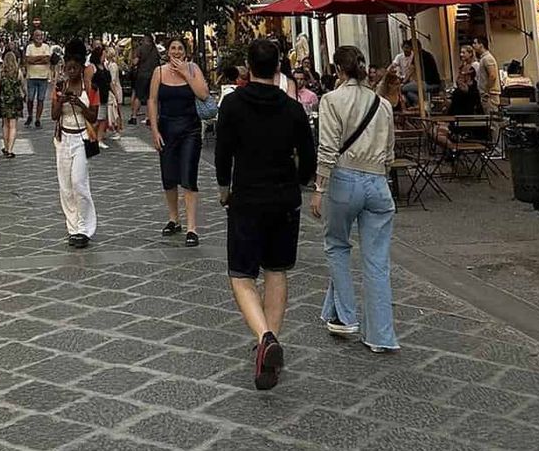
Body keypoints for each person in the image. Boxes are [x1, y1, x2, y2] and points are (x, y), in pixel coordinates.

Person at [215, 37, 317, 391]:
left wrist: (223, 187)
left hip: (246, 198)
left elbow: (223, 152)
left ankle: (265, 337)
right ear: (278, 67)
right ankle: (268, 345)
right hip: (284, 199)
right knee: (277, 270)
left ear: (247, 65)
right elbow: (309, 156)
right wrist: (300, 180)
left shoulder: (232, 104)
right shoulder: (292, 109)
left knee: (242, 275)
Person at [311, 45, 399, 353]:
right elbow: (390, 153)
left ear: (338, 70)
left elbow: (327, 148)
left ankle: (346, 315)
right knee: (377, 261)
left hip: (344, 178)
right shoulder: (383, 104)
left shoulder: (331, 100)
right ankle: (381, 336)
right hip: (378, 182)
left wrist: (319, 189)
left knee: (337, 245)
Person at [149, 36, 210, 246]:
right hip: (166, 128)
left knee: (188, 177)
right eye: (172, 48)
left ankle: (192, 227)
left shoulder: (193, 69)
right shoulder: (159, 72)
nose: (176, 52)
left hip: (189, 130)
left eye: (180, 48)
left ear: (185, 51)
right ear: (167, 52)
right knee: (168, 177)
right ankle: (174, 218)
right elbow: (153, 100)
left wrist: (185, 72)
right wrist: (155, 130)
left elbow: (203, 94)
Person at [52, 40, 98, 247]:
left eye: (74, 68)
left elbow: (94, 116)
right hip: (63, 138)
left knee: (79, 182)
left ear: (81, 69)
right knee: (66, 187)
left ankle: (85, 228)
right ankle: (73, 228)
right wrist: (61, 101)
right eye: (67, 68)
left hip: (81, 138)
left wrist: (79, 103)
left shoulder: (90, 87)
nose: (70, 71)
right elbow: (54, 115)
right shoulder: (60, 87)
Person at [0, 48, 25, 158]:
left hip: (4, 101)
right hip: (16, 101)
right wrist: (24, 95)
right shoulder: (18, 72)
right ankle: (10, 150)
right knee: (13, 126)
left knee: (5, 125)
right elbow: (23, 86)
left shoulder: (1, 74)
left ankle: (6, 146)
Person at [23, 28, 53, 128]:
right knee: (30, 98)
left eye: (40, 36)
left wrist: (35, 59)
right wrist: (40, 58)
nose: (39, 38)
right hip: (31, 76)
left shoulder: (46, 47)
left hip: (43, 76)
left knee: (41, 99)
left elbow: (47, 59)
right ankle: (30, 115)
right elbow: (28, 60)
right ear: (33, 37)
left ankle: (38, 119)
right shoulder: (29, 47)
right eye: (37, 36)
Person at [129, 34, 159, 124]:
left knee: (138, 96)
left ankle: (134, 117)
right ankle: (148, 118)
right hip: (153, 75)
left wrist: (132, 62)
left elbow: (135, 62)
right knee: (151, 97)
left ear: (144, 40)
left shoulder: (140, 49)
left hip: (142, 75)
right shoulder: (155, 49)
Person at [90, 45, 112, 148]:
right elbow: (88, 82)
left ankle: (99, 139)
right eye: (103, 54)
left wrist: (115, 94)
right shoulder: (92, 67)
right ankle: (91, 138)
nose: (105, 56)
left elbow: (109, 81)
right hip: (96, 96)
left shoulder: (105, 66)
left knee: (103, 118)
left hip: (104, 95)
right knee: (96, 120)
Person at [473, 38, 501, 114]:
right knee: (489, 118)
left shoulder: (487, 58)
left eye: (475, 43)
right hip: (485, 94)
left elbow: (492, 76)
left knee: (493, 119)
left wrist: (487, 91)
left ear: (481, 45)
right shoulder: (483, 58)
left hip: (490, 95)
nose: (473, 45)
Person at [106, 46, 124, 137]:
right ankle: (116, 129)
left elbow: (112, 81)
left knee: (116, 111)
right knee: (114, 111)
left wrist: (115, 94)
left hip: (115, 90)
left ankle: (118, 130)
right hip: (115, 90)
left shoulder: (112, 66)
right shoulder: (110, 64)